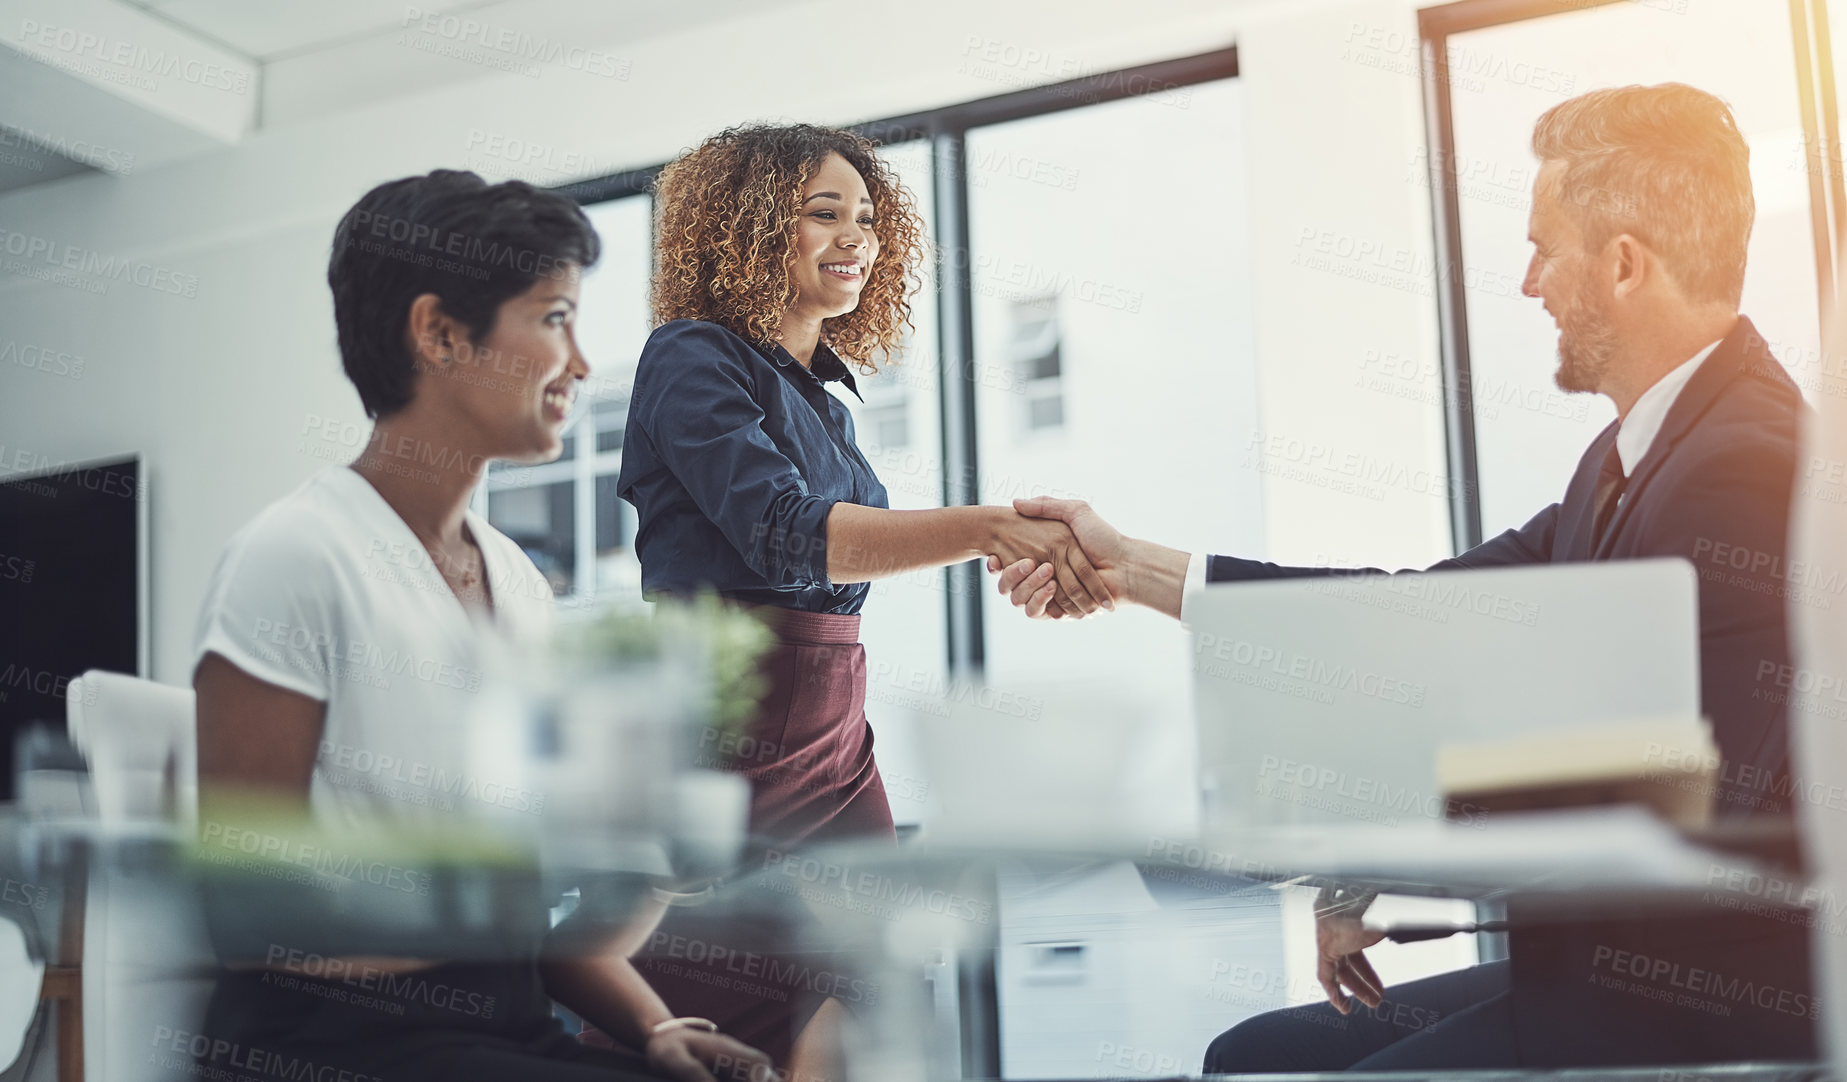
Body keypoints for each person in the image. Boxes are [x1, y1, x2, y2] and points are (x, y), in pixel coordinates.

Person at [991, 84, 1817, 1069]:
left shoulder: (1743, 464)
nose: (1528, 283)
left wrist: (1368, 841)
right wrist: (1128, 568)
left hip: (1698, 998)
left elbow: (1669, 803)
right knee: (1251, 1053)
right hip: (1604, 966)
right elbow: (1415, 612)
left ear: (1623, 264)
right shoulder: (1628, 455)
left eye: (1542, 247)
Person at [192, 169, 773, 1082]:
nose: (580, 363)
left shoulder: (518, 582)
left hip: (504, 1028)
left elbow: (544, 947)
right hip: (329, 1042)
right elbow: (245, 920)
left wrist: (657, 1014)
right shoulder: (297, 555)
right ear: (438, 333)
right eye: (553, 319)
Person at [610, 122, 1112, 1070]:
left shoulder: (830, 403)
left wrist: (997, 541)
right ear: (749, 228)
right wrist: (985, 528)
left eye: (869, 219)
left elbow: (832, 560)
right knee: (717, 993)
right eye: (821, 213)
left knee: (865, 979)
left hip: (834, 734)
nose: (856, 237)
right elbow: (785, 537)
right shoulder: (688, 356)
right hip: (730, 725)